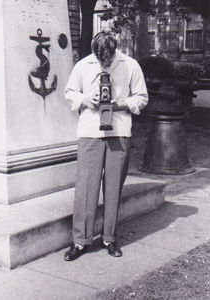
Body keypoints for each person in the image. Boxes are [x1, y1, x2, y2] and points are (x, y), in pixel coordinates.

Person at [64, 31, 148, 261]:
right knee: (85, 188)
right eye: (100, 58)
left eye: (108, 58)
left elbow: (142, 96)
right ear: (93, 51)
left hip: (119, 132)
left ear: (114, 50)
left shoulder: (130, 65)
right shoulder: (82, 66)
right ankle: (80, 241)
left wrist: (122, 104)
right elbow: (70, 92)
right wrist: (84, 100)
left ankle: (109, 238)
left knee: (113, 188)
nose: (104, 62)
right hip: (90, 132)